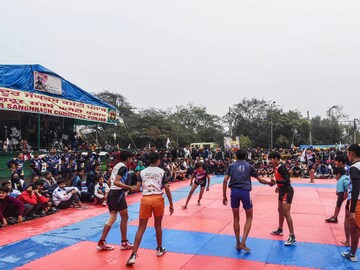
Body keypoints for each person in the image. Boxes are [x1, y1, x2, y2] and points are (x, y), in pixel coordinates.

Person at [126, 152, 174, 266]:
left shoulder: (142, 172)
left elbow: (137, 188)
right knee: (158, 226)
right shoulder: (162, 172)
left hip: (146, 199)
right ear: (158, 161)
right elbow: (166, 188)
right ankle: (159, 249)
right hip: (158, 199)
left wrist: (126, 187)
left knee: (141, 228)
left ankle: (133, 255)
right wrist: (171, 204)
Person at [222, 149, 275, 251]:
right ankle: (243, 242)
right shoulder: (249, 166)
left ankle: (238, 243)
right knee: (249, 218)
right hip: (245, 193)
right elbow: (260, 180)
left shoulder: (231, 166)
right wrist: (269, 183)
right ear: (246, 156)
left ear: (235, 156)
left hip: (234, 192)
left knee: (236, 218)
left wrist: (224, 196)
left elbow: (225, 180)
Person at [96, 150, 135, 251]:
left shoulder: (117, 166)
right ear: (128, 159)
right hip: (117, 194)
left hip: (112, 193)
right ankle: (124, 242)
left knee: (112, 217)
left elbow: (109, 181)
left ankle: (101, 242)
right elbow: (117, 182)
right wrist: (128, 187)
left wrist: (111, 191)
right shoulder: (123, 167)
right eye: (131, 159)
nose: (131, 161)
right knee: (125, 217)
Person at [269, 151, 296, 246]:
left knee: (286, 213)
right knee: (280, 210)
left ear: (276, 158)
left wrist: (276, 182)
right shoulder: (276, 167)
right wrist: (278, 186)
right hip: (281, 190)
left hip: (287, 191)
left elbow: (287, 180)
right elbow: (282, 179)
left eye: (271, 159)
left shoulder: (282, 167)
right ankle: (280, 229)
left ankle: (292, 236)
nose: (270, 161)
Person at [342, 144, 360, 262]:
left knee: (355, 228)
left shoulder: (354, 167)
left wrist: (352, 210)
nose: (347, 155)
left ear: (351, 153)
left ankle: (353, 254)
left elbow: (356, 189)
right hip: (355, 200)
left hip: (357, 201)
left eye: (348, 152)